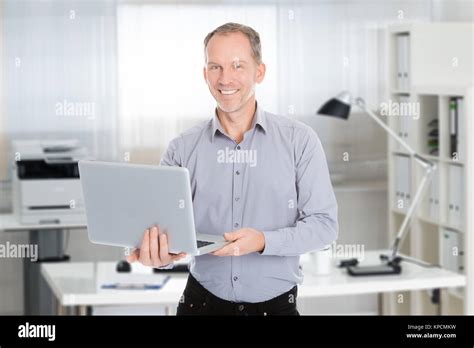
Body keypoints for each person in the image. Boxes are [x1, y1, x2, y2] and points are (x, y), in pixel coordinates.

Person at [127, 22, 338, 316]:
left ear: (259, 71)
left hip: (276, 308)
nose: (225, 78)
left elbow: (324, 227)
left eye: (238, 65)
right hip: (200, 305)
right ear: (205, 74)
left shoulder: (299, 141)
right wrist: (157, 255)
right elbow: (161, 232)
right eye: (215, 67)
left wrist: (264, 241)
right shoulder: (182, 148)